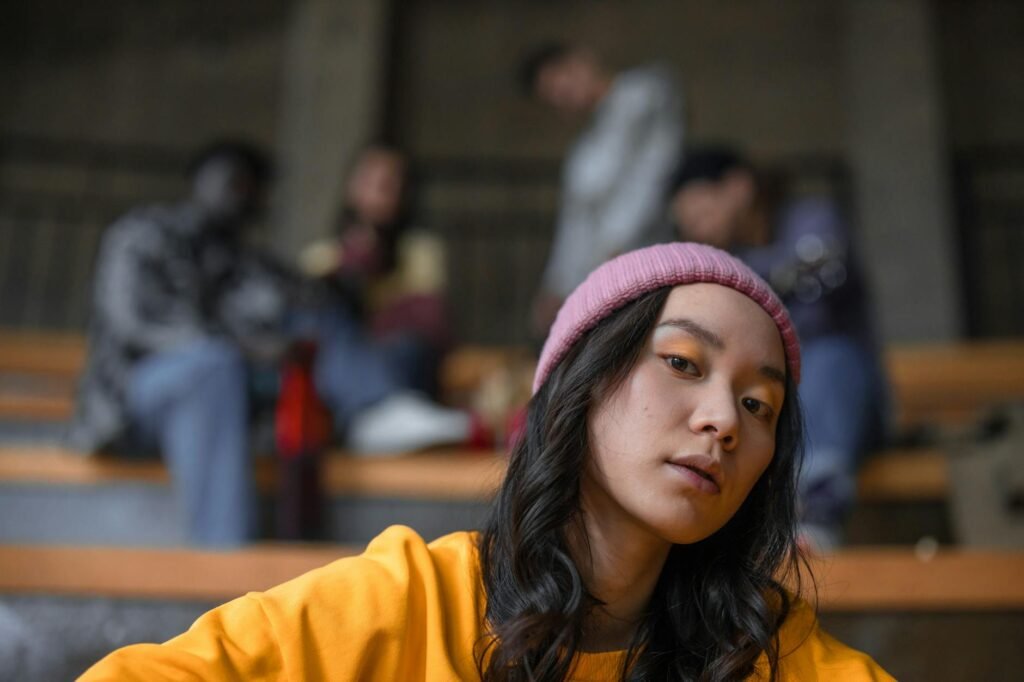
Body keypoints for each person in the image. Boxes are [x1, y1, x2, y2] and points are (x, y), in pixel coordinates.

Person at [80, 243, 892, 680]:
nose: (722, 420)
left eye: (760, 407)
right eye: (682, 362)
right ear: (579, 381)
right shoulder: (414, 599)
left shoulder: (771, 653)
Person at [68, 141, 474, 547]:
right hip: (138, 397)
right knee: (211, 365)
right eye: (234, 179)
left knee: (312, 320)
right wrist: (248, 348)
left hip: (234, 393)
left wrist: (345, 280)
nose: (245, 193)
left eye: (255, 185)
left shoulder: (249, 262)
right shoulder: (141, 235)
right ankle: (223, 561)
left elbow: (309, 301)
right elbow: (139, 323)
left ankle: (375, 410)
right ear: (200, 180)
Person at [668, 146, 889, 549]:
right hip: (780, 415)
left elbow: (825, 279)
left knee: (827, 356)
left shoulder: (810, 219)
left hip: (850, 408)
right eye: (689, 223)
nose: (698, 229)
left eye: (702, 212)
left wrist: (744, 284)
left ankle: (817, 511)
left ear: (738, 187)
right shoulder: (728, 258)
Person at [519, 43, 684, 336]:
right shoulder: (583, 152)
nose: (563, 93)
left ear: (584, 59)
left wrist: (612, 251)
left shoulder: (646, 95)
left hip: (646, 263)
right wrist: (556, 285)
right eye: (553, 94)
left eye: (564, 78)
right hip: (599, 281)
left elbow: (648, 181)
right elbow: (575, 224)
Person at [301, 144, 451, 397]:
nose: (382, 190)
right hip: (341, 372)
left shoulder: (420, 252)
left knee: (408, 349)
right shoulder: (323, 257)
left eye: (392, 182)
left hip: (397, 367)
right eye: (371, 180)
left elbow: (433, 324)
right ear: (351, 186)